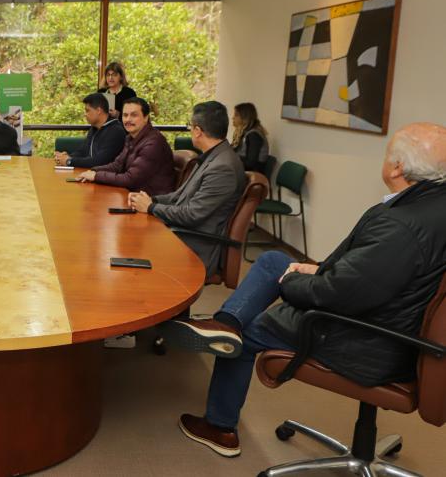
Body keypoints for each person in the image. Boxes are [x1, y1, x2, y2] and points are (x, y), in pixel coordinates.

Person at [159, 122, 446, 458]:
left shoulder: (400, 225)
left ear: (397, 167)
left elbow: (337, 294)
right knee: (273, 261)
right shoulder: (432, 208)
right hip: (394, 321)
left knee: (246, 335)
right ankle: (225, 322)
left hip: (365, 340)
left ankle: (220, 426)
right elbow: (380, 274)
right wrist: (318, 268)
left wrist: (294, 282)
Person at [129, 101, 246, 277]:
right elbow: (179, 196)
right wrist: (150, 200)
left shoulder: (223, 167)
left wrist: (151, 208)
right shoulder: (214, 156)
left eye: (190, 127)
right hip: (183, 233)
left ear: (198, 131)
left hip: (194, 244)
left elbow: (193, 215)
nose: (190, 131)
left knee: (132, 245)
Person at [77, 97, 174, 194]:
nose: (128, 119)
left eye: (134, 115)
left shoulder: (153, 143)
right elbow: (117, 166)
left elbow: (130, 179)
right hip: (132, 195)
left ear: (146, 118)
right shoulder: (130, 138)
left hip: (151, 202)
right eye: (125, 115)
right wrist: (92, 171)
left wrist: (96, 176)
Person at [54, 93, 126, 168]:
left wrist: (69, 161)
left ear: (98, 110)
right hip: (91, 174)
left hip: (105, 177)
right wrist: (65, 157)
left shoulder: (116, 131)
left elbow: (99, 162)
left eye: (87, 110)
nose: (85, 114)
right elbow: (83, 152)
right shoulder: (94, 128)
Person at [231, 102, 269, 173]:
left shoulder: (254, 135)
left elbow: (250, 163)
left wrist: (231, 159)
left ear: (244, 118)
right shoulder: (244, 132)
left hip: (253, 175)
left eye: (236, 115)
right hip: (242, 170)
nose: (233, 117)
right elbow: (235, 150)